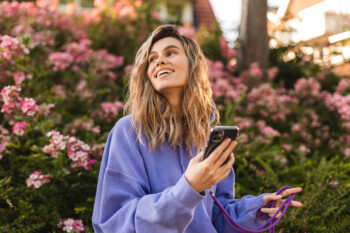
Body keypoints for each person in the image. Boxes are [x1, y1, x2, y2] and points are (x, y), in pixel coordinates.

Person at [92, 24, 302, 233]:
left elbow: (216, 217)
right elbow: (114, 222)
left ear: (194, 65)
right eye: (152, 59)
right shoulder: (130, 131)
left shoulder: (206, 138)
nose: (159, 61)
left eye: (170, 53)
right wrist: (188, 188)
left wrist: (256, 211)